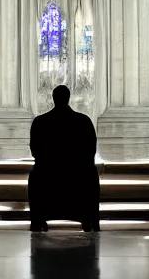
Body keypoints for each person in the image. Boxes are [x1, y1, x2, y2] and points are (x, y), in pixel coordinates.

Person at [28, 85, 100, 233]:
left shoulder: (40, 122)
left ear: (53, 99)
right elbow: (91, 150)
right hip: (78, 176)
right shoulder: (84, 121)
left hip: (47, 176)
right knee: (91, 174)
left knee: (35, 176)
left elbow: (35, 151)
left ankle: (38, 220)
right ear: (69, 98)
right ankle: (88, 219)